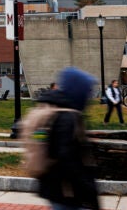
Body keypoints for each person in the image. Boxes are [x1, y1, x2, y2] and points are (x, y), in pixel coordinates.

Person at [36, 67, 99, 210]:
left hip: (57, 190)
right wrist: (88, 189)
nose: (89, 95)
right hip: (66, 191)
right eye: (87, 90)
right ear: (78, 91)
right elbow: (66, 158)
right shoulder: (67, 117)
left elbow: (43, 141)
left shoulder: (59, 112)